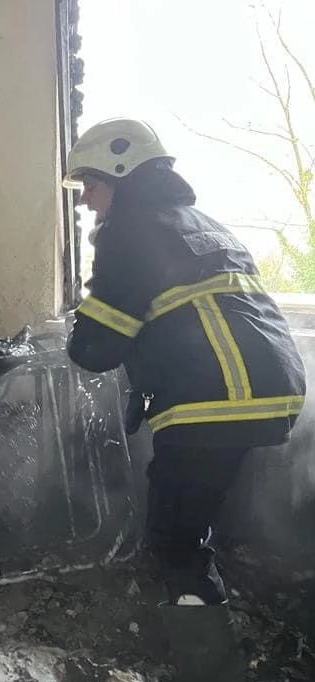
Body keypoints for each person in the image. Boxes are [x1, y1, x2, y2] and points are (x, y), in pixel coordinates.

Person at [63, 119, 306, 607]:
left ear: (121, 173)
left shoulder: (128, 230)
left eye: (90, 184)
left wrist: (80, 333)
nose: (85, 200)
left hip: (214, 400)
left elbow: (96, 348)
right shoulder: (205, 224)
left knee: (175, 539)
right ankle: (203, 609)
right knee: (198, 516)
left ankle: (200, 637)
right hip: (273, 390)